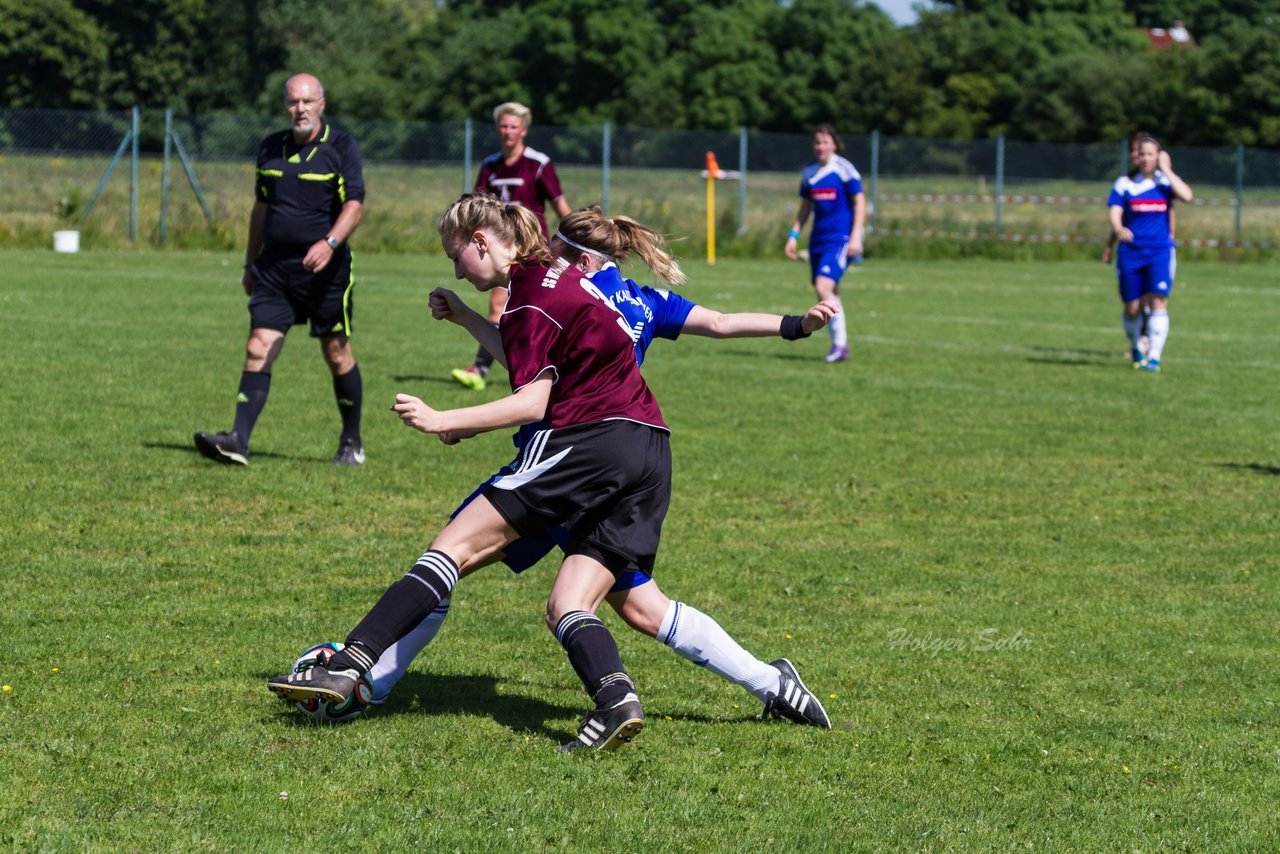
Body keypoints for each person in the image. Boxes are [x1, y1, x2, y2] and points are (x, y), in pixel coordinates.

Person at [366, 205, 838, 729]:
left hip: (568, 460)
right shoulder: (643, 300)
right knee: (641, 607)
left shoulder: (557, 290)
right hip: (617, 460)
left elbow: (537, 391)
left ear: (576, 259)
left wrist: (455, 414)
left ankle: (366, 679)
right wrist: (795, 325)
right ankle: (772, 684)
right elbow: (720, 322)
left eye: (555, 252)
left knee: (451, 556)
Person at [269, 194, 670, 752]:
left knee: (449, 549)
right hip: (649, 450)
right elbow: (531, 360)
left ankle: (346, 666)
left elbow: (533, 402)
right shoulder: (549, 278)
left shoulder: (531, 298)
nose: (456, 267)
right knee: (569, 603)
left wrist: (444, 419)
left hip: (588, 442)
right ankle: (615, 701)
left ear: (482, 241)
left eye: (456, 255)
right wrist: (464, 317)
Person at [194, 73, 366, 466]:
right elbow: (261, 208)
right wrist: (250, 260)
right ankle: (237, 440)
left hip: (327, 271)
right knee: (257, 346)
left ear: (322, 104)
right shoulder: (270, 147)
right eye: (293, 102)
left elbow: (354, 205)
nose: (300, 109)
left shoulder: (341, 147)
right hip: (274, 269)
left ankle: (351, 441)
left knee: (337, 353)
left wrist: (330, 243)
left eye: (307, 101)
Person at [451, 102, 571, 392]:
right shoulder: (491, 165)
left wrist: (576, 242)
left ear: (524, 130)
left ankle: (519, 366)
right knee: (501, 305)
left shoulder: (538, 164)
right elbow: (475, 206)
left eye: (513, 126)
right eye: (503, 126)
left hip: (533, 249)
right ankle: (493, 367)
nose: (507, 131)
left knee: (529, 307)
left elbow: (561, 208)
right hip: (500, 251)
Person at [1107, 136, 1192, 372]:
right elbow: (1114, 211)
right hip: (1131, 252)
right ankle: (1136, 347)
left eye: (1151, 154)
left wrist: (1167, 169)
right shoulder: (1125, 183)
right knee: (1132, 307)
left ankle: (1154, 357)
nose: (1146, 159)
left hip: (1160, 252)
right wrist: (1117, 228)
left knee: (1158, 301)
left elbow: (1187, 196)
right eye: (1142, 154)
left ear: (1158, 156)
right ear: (1136, 157)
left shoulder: (1165, 182)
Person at [784, 123, 865, 363]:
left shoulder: (844, 169)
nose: (821, 147)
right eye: (817, 142)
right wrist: (793, 235)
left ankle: (839, 345)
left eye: (825, 142)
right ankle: (841, 347)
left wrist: (856, 236)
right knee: (830, 290)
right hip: (817, 241)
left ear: (834, 144)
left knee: (823, 287)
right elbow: (805, 208)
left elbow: (859, 202)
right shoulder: (809, 173)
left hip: (839, 239)